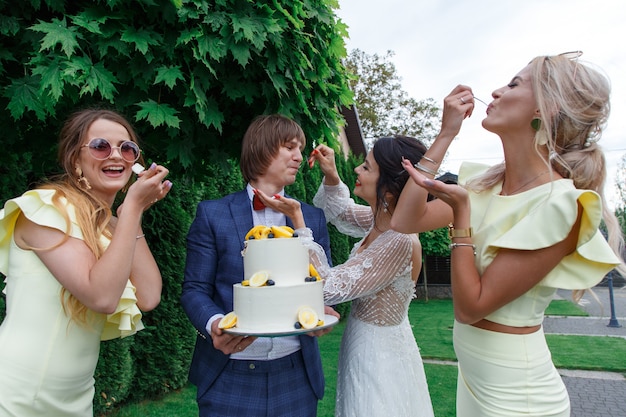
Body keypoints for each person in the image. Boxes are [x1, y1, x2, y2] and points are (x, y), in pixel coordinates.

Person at [390, 52, 626, 416]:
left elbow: (471, 308)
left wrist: (461, 215)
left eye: (514, 84)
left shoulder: (561, 204)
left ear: (543, 109)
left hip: (518, 397)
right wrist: (446, 133)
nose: (497, 92)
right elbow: (404, 220)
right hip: (474, 384)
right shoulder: (484, 184)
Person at [0, 109, 172, 416]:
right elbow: (102, 297)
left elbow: (148, 295)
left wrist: (133, 215)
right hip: (17, 393)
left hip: (76, 396)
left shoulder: (113, 225)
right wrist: (132, 206)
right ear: (75, 159)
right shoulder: (44, 209)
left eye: (127, 148)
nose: (116, 155)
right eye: (101, 146)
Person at [256, 135, 435, 417]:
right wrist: (331, 173)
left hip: (379, 356)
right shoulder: (379, 220)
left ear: (388, 190)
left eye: (366, 167)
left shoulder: (399, 240)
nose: (357, 170)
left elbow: (327, 288)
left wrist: (299, 225)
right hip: (361, 343)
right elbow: (342, 211)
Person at [181, 114, 335, 417]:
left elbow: (322, 285)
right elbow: (194, 289)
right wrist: (216, 326)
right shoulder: (212, 214)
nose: (299, 157)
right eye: (290, 147)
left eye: (301, 149)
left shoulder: (312, 218)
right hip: (229, 375)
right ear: (263, 148)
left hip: (297, 375)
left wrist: (321, 310)